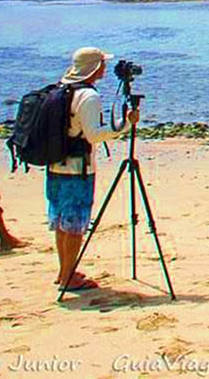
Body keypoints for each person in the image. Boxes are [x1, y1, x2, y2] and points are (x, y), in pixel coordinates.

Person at [48, 47, 137, 291]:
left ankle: (64, 271)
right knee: (75, 225)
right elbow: (94, 135)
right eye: (102, 64)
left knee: (60, 222)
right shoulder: (88, 96)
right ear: (94, 67)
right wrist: (124, 126)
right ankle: (68, 277)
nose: (105, 69)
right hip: (78, 170)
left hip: (55, 165)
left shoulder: (60, 89)